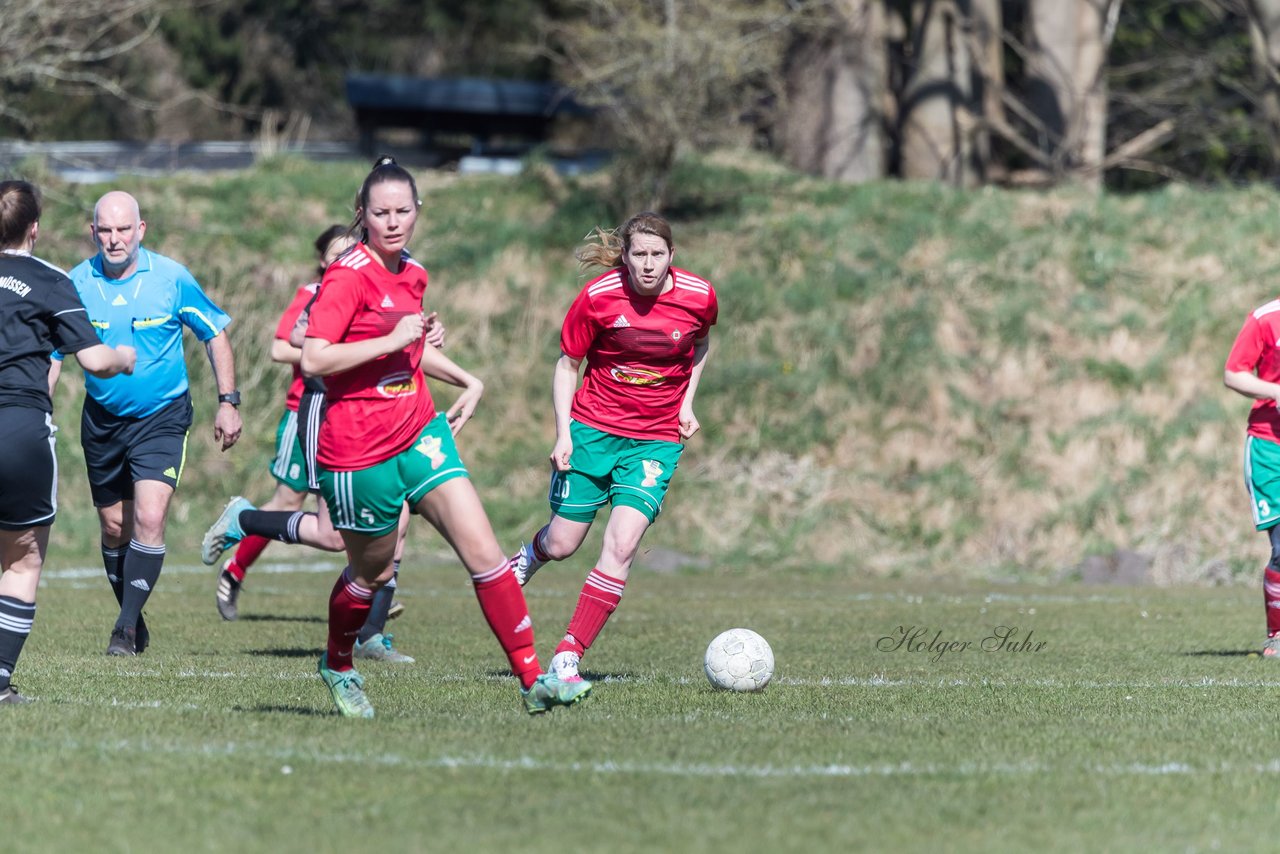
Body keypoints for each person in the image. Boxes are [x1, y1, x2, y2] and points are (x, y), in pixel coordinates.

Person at [299, 155, 591, 717]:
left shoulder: (412, 271)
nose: (392, 222)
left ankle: (533, 681)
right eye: (380, 212)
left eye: (402, 211)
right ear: (361, 215)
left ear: (417, 212)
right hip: (358, 448)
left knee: (484, 552)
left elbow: (408, 345)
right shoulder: (346, 276)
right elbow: (316, 357)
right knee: (373, 570)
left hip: (419, 430)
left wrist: (458, 370)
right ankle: (337, 663)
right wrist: (391, 341)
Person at [201, 224, 441, 663]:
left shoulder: (387, 282)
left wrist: (429, 343)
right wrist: (346, 343)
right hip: (314, 411)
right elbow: (291, 343)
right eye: (337, 254)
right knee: (303, 511)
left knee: (395, 520)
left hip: (376, 415)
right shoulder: (323, 289)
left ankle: (370, 625)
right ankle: (243, 548)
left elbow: (400, 345)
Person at [507, 211, 717, 686]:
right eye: (638, 254)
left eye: (657, 255)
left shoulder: (699, 296)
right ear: (624, 256)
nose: (648, 265)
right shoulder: (599, 298)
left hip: (655, 439)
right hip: (592, 431)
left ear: (672, 255)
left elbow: (700, 345)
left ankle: (568, 653)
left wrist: (687, 402)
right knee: (563, 543)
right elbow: (567, 364)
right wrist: (563, 432)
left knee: (621, 545)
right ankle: (527, 558)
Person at [50, 190, 242, 656]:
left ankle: (124, 627)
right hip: (102, 421)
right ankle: (133, 616)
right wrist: (39, 407)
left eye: (123, 229)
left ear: (141, 230)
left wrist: (228, 401)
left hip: (162, 417)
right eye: (105, 230)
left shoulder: (172, 279)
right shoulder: (76, 284)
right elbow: (53, 355)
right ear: (92, 232)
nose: (114, 239)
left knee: (150, 518)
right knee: (115, 528)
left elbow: (213, 334)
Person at [0, 180, 135, 703]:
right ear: (35, 227)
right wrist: (123, 355)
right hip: (19, 429)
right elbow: (95, 360)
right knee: (22, 560)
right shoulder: (51, 281)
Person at [1225, 300, 1280, 656]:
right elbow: (1234, 373)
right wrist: (1276, 392)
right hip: (1270, 448)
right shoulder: (1266, 319)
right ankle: (1277, 635)